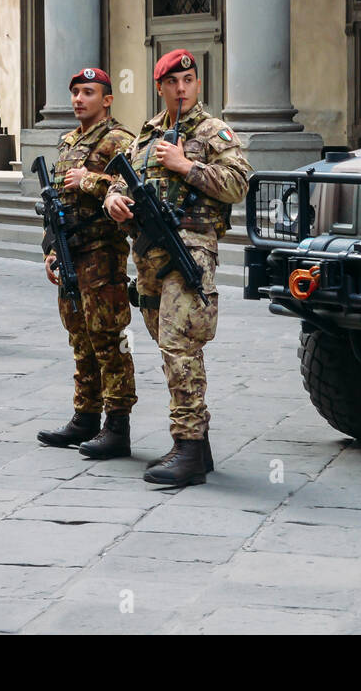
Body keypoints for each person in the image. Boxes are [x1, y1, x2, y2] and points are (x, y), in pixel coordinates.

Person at [104, 50, 251, 487]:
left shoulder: (213, 131)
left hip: (191, 250)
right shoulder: (146, 135)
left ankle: (187, 447)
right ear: (161, 87)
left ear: (198, 84)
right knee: (166, 343)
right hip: (148, 255)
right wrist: (113, 198)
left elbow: (239, 183)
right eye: (173, 82)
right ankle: (198, 448)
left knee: (179, 344)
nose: (181, 89)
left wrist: (186, 165)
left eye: (188, 80)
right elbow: (120, 179)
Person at [36, 67, 137, 459]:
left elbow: (130, 191)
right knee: (80, 338)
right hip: (71, 254)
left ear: (107, 99)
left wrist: (90, 181)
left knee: (109, 339)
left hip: (103, 255)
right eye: (76, 91)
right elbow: (57, 205)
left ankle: (117, 425)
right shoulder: (69, 141)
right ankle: (85, 417)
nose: (79, 99)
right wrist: (50, 250)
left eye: (88, 92)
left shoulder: (120, 140)